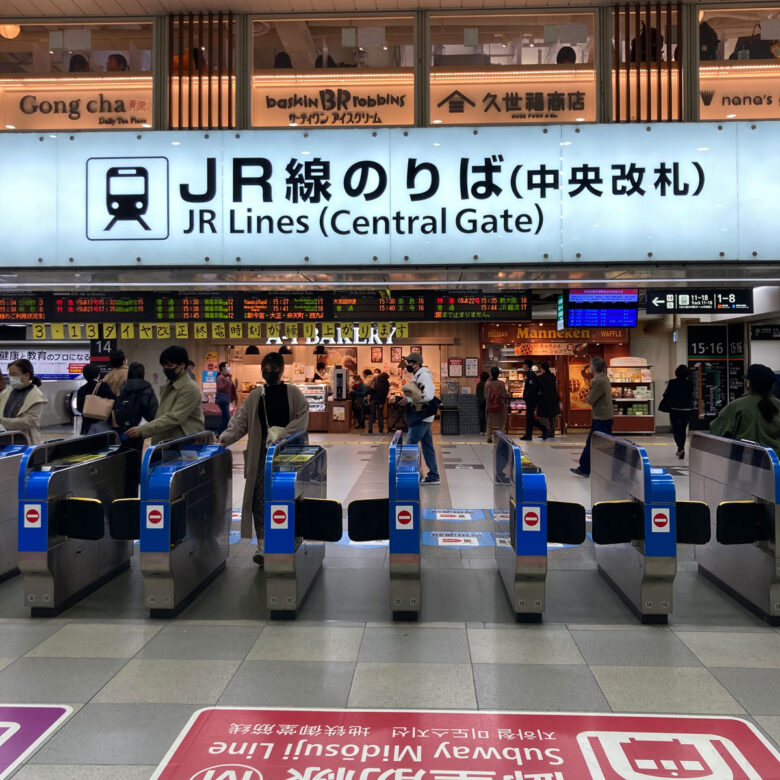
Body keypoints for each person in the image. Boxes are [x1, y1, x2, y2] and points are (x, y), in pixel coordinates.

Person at [219, 352, 309, 566]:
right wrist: (224, 439)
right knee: (259, 499)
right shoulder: (255, 396)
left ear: (281, 371)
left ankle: (291, 537)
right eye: (265, 370)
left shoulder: (293, 393)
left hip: (289, 455)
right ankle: (263, 544)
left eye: (273, 370)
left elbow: (302, 418)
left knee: (288, 497)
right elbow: (240, 422)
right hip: (261, 456)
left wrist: (282, 434)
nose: (269, 374)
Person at [126, 346, 204, 444]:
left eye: (170, 365)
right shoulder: (169, 384)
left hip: (184, 442)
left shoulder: (190, 388)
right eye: (164, 366)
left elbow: (174, 417)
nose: (166, 369)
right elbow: (163, 413)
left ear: (182, 365)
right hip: (168, 440)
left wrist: (143, 429)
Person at [710, 363, 780, 457]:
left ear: (749, 383)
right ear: (772, 385)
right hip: (776, 464)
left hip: (744, 463)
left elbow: (716, 432)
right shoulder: (778, 405)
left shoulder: (736, 406)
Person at [571, 356, 613, 477]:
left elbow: (590, 399)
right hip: (604, 416)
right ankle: (585, 467)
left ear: (593, 367)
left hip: (601, 417)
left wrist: (589, 393)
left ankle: (586, 468)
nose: (589, 367)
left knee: (595, 443)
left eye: (590, 365)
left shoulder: (598, 381)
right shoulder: (604, 378)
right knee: (598, 443)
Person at [402, 352, 440, 484]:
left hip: (422, 417)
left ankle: (411, 476)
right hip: (424, 417)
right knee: (427, 446)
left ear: (417, 364)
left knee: (410, 445)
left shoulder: (424, 376)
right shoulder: (419, 375)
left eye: (410, 363)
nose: (408, 366)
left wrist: (410, 399)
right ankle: (433, 475)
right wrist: (407, 398)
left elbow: (428, 395)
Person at [114, 362, 158, 458]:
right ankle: (137, 472)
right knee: (139, 454)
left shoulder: (123, 388)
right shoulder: (146, 388)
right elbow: (153, 410)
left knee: (126, 453)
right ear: (142, 373)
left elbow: (116, 406)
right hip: (141, 427)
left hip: (124, 427)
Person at [0, 359, 47, 444]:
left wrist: (2, 421)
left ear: (26, 375)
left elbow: (29, 422)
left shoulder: (36, 395)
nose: (11, 378)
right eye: (9, 375)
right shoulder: (6, 392)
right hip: (4, 440)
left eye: (14, 375)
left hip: (25, 441)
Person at [661, 365, 695, 459]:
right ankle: (681, 448)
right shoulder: (690, 383)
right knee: (683, 429)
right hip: (687, 409)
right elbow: (692, 395)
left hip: (675, 409)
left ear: (676, 373)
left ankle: (680, 448)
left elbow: (666, 394)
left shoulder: (672, 382)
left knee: (676, 429)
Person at [76, 363, 116, 435]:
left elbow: (79, 408)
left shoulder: (81, 390)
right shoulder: (103, 386)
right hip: (103, 422)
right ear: (98, 375)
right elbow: (113, 400)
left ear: (85, 376)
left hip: (87, 424)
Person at [521, 359, 549, 440]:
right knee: (529, 418)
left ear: (527, 365)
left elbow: (532, 388)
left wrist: (527, 395)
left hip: (531, 400)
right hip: (530, 400)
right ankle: (528, 435)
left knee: (530, 418)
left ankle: (544, 430)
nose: (522, 366)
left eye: (524, 364)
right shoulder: (529, 374)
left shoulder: (531, 374)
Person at [485, 366, 508, 444]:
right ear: (498, 374)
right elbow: (505, 394)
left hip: (490, 405)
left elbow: (485, 396)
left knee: (489, 422)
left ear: (491, 374)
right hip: (500, 405)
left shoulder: (487, 384)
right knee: (501, 422)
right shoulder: (502, 384)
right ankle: (501, 438)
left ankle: (489, 438)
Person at [537, 362, 560, 440]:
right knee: (552, 417)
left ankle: (545, 433)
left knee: (543, 417)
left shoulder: (540, 377)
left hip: (543, 399)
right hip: (553, 399)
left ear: (542, 368)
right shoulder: (553, 376)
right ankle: (552, 433)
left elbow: (538, 389)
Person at [215, 361, 238, 435]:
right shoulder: (221, 377)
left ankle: (220, 433)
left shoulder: (226, 377)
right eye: (227, 366)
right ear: (223, 368)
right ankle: (221, 433)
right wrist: (227, 382)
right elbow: (221, 388)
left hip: (226, 399)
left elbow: (230, 388)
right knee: (227, 417)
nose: (229, 368)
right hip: (223, 400)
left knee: (225, 417)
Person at [476, 371, 489, 435]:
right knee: (486, 417)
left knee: (481, 417)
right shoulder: (488, 384)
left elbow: (477, 394)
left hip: (480, 402)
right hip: (487, 402)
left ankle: (481, 431)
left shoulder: (479, 384)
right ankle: (486, 431)